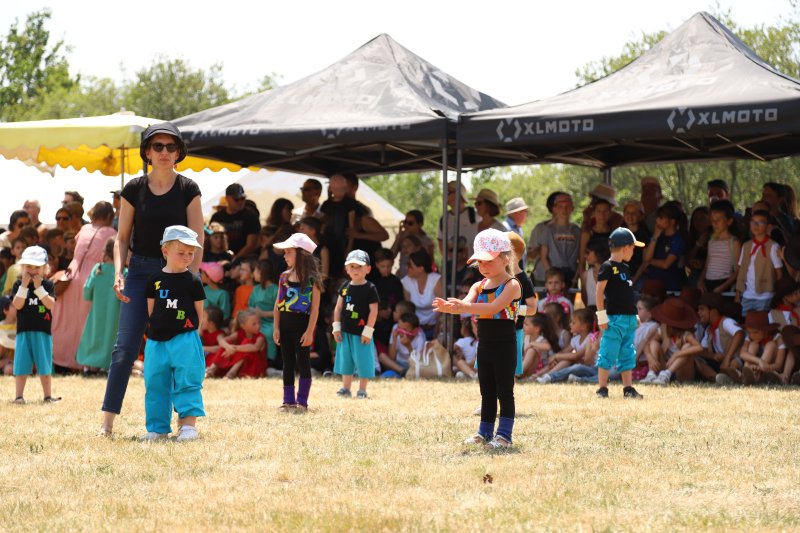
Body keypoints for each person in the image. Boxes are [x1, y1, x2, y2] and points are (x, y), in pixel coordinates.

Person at [100, 121, 204, 438]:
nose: (164, 151)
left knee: (181, 347)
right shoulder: (133, 189)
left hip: (178, 273)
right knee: (124, 348)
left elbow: (198, 237)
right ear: (147, 152)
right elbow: (121, 239)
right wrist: (118, 273)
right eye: (157, 146)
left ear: (179, 152)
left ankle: (186, 424)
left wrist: (190, 278)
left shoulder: (188, 188)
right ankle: (107, 423)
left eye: (171, 146)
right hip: (140, 271)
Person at [435, 229, 521, 449]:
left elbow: (492, 308)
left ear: (505, 259)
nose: (483, 266)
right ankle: (484, 432)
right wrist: (451, 307)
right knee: (487, 391)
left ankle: (504, 436)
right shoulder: (478, 285)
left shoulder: (512, 285)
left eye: (488, 261)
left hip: (505, 347)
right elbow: (466, 305)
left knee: (504, 391)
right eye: (480, 262)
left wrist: (464, 307)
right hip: (485, 347)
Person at [140, 225, 205, 441]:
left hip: (185, 339)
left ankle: (188, 426)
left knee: (188, 380)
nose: (187, 257)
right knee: (155, 383)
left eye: (191, 253)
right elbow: (151, 311)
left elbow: (199, 313)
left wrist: (192, 337)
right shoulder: (154, 280)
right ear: (165, 251)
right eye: (181, 252)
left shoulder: (194, 281)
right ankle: (157, 428)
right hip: (156, 341)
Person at [51, 201, 117, 371]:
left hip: (70, 276)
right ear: (109, 216)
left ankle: (61, 360)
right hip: (94, 279)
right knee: (88, 325)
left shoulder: (84, 229)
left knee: (64, 322)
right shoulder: (112, 233)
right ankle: (83, 363)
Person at [273, 233, 322, 411]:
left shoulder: (312, 280)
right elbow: (278, 304)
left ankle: (302, 401)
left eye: (288, 252)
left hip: (302, 327)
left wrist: (309, 332)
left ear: (302, 254)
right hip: (285, 327)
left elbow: (315, 308)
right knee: (287, 363)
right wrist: (276, 327)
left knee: (303, 363)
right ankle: (288, 400)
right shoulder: (283, 277)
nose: (284, 256)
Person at [595, 227, 645, 398]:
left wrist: (634, 314)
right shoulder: (607, 267)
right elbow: (599, 292)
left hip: (628, 319)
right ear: (625, 247)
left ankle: (628, 388)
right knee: (607, 352)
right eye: (633, 248)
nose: (633, 252)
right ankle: (602, 388)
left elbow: (627, 294)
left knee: (627, 353)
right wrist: (601, 316)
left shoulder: (625, 268)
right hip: (614, 320)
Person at [11, 246, 59, 404]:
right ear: (22, 268)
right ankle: (19, 396)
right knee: (21, 366)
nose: (32, 271)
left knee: (44, 365)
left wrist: (39, 288)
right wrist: (24, 287)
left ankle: (47, 396)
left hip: (42, 332)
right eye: (28, 267)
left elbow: (50, 304)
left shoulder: (48, 285)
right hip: (23, 332)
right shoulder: (18, 285)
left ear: (45, 268)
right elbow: (17, 305)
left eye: (37, 267)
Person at [333, 249, 379, 398]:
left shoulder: (370, 288)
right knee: (345, 360)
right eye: (352, 266)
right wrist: (336, 327)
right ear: (346, 269)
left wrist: (368, 331)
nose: (355, 270)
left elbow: (373, 311)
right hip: (345, 332)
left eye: (359, 266)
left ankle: (362, 390)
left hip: (361, 333)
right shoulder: (345, 287)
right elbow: (338, 308)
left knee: (363, 360)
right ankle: (345, 388)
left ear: (368, 269)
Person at [76, 238, 122, 372]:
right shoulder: (124, 273)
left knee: (93, 338)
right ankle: (106, 368)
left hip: (96, 314)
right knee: (111, 339)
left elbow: (87, 293)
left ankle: (91, 367)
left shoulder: (98, 269)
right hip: (115, 316)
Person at [646, 297, 704, 385]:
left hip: (682, 372)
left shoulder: (686, 335)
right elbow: (647, 344)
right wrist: (650, 357)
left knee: (687, 346)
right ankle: (651, 374)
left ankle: (666, 374)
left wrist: (677, 354)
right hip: (665, 366)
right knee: (654, 343)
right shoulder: (663, 330)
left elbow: (699, 347)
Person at [736, 209, 783, 315]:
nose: (755, 225)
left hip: (766, 296)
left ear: (768, 227)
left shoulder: (773, 246)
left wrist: (777, 295)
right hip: (747, 295)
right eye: (753, 222)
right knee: (746, 322)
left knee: (762, 323)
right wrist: (738, 293)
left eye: (760, 222)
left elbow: (779, 274)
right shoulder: (746, 246)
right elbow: (741, 271)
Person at [535, 308, 597, 383]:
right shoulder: (575, 339)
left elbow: (576, 355)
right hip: (580, 365)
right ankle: (541, 376)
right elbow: (564, 352)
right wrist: (556, 358)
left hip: (590, 368)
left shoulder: (591, 338)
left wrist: (556, 356)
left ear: (584, 326)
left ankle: (549, 376)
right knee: (565, 360)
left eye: (573, 323)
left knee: (571, 362)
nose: (570, 324)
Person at [205, 308, 266, 379]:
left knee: (246, 343)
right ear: (243, 326)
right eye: (254, 324)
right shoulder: (239, 333)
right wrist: (228, 347)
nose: (258, 326)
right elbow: (222, 341)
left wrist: (234, 348)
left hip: (254, 366)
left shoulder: (260, 337)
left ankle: (231, 373)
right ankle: (211, 369)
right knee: (227, 344)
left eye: (259, 323)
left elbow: (255, 347)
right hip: (241, 365)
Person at [641, 203, 687, 293]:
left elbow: (666, 264)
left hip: (670, 286)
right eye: (657, 217)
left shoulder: (678, 240)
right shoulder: (657, 237)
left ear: (672, 221)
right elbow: (646, 258)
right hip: (653, 282)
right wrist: (655, 237)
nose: (657, 220)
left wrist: (650, 261)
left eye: (661, 218)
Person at [539, 192, 581, 287]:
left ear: (572, 208)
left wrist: (576, 277)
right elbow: (543, 256)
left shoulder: (577, 230)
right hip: (555, 273)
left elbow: (581, 257)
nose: (564, 210)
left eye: (567, 206)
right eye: (561, 206)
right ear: (555, 209)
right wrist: (551, 276)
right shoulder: (548, 229)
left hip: (571, 274)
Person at [209, 183, 261, 260]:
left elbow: (251, 245)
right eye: (236, 199)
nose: (240, 202)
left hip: (243, 261)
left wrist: (234, 260)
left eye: (243, 198)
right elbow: (210, 239)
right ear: (227, 199)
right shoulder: (217, 217)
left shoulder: (251, 217)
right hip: (218, 259)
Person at [401, 250, 442, 340]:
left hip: (435, 326)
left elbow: (441, 308)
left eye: (410, 265)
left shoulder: (435, 280)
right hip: (416, 329)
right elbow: (409, 309)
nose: (407, 268)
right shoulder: (406, 281)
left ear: (421, 268)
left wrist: (436, 331)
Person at [700, 200, 740, 294]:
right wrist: (700, 280)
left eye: (718, 220)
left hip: (724, 284)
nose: (715, 223)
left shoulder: (734, 242)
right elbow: (707, 265)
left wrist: (721, 288)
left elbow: (738, 271)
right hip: (708, 283)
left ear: (729, 221)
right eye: (712, 220)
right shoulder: (711, 241)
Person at [249, 259, 279, 369]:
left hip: (272, 322)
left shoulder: (276, 289)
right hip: (256, 321)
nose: (253, 273)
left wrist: (263, 314)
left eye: (255, 271)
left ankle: (270, 361)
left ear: (262, 272)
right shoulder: (256, 289)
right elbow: (250, 306)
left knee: (269, 333)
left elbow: (280, 311)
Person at [438, 181, 480, 257]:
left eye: (449, 192)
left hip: (473, 261)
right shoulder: (444, 219)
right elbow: (441, 242)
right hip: (452, 263)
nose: (445, 195)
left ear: (459, 194)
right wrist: (449, 259)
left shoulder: (474, 214)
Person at [390, 210, 434, 278]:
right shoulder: (402, 237)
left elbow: (431, 261)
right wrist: (399, 238)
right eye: (405, 222)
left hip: (419, 277)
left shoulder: (427, 241)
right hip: (402, 277)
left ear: (420, 224)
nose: (406, 225)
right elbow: (390, 256)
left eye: (410, 223)